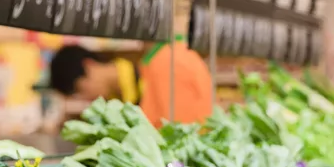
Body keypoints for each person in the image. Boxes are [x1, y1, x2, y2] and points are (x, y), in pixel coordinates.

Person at [47, 41, 213, 126]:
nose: (86, 97)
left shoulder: (164, 66)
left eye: (80, 89)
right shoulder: (119, 106)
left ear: (88, 66)